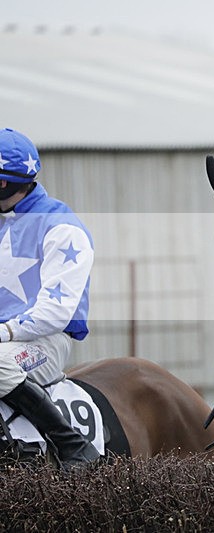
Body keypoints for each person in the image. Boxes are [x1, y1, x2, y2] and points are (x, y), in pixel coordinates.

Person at [0, 128, 100, 469]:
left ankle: (70, 443)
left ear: (6, 183)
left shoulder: (61, 227)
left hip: (45, 342)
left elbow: (55, 312)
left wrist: (4, 332)